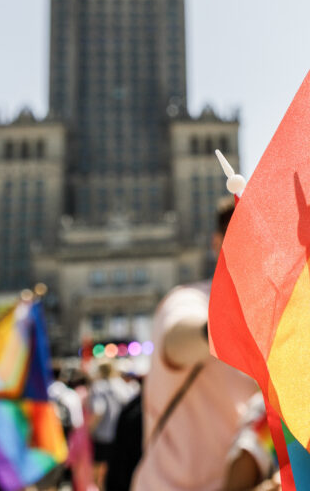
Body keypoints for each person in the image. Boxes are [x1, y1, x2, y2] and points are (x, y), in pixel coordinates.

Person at [130, 198, 274, 491]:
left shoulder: (279, 315)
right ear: (217, 242)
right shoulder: (189, 299)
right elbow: (175, 343)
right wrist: (232, 319)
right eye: (241, 237)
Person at [87, 362, 135, 488]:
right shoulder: (123, 385)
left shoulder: (99, 386)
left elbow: (99, 410)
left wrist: (88, 431)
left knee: (98, 472)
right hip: (122, 436)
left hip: (103, 435)